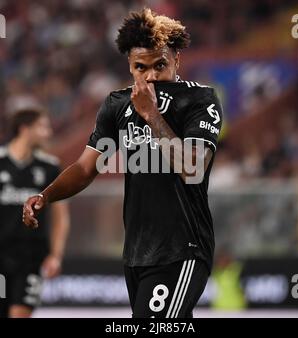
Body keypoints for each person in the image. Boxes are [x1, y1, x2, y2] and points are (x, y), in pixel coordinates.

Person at [23, 8, 222, 318]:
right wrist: (46, 195)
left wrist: (152, 117)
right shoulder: (116, 105)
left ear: (177, 61)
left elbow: (194, 168)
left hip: (183, 248)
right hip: (137, 252)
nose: (151, 75)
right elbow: (86, 168)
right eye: (141, 67)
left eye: (160, 65)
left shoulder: (199, 100)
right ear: (130, 67)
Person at [0, 108, 70, 318]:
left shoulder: (49, 167)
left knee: (20, 314)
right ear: (25, 129)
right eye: (42, 127)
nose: (47, 133)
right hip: (0, 254)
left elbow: (60, 216)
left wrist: (56, 255)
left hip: (31, 257)